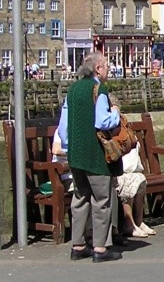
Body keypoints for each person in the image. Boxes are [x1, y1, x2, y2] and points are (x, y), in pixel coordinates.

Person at [67, 52, 123, 263]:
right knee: (102, 200)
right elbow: (102, 121)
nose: (109, 69)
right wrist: (116, 112)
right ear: (98, 69)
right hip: (95, 154)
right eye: (106, 66)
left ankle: (78, 245)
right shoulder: (98, 88)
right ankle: (100, 248)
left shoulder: (72, 89)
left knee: (80, 199)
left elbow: (64, 126)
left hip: (76, 154)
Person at [117, 142, 154, 238]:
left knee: (140, 179)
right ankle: (129, 224)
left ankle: (139, 221)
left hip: (132, 171)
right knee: (129, 181)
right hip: (119, 173)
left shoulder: (128, 133)